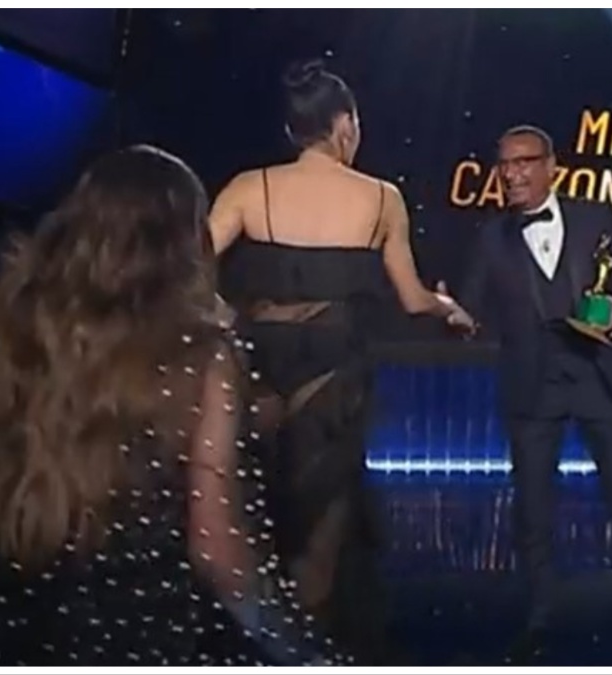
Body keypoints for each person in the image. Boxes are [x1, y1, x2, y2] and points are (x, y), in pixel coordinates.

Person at [0, 145, 343, 666]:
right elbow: (219, 554)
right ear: (186, 244)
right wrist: (304, 653)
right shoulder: (197, 358)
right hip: (131, 642)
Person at [208, 59, 474, 663]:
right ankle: (307, 653)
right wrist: (450, 309)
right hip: (333, 384)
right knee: (322, 533)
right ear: (345, 125)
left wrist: (228, 320)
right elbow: (413, 299)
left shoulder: (249, 187)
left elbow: (187, 270)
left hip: (254, 376)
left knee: (254, 523)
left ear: (292, 129)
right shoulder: (381, 199)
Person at [450, 125, 612, 663]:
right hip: (532, 386)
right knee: (533, 510)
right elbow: (470, 308)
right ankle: (540, 617)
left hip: (597, 376)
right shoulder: (491, 237)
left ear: (552, 167)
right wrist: (453, 316)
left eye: (523, 162)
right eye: (504, 165)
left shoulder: (596, 218)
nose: (512, 174)